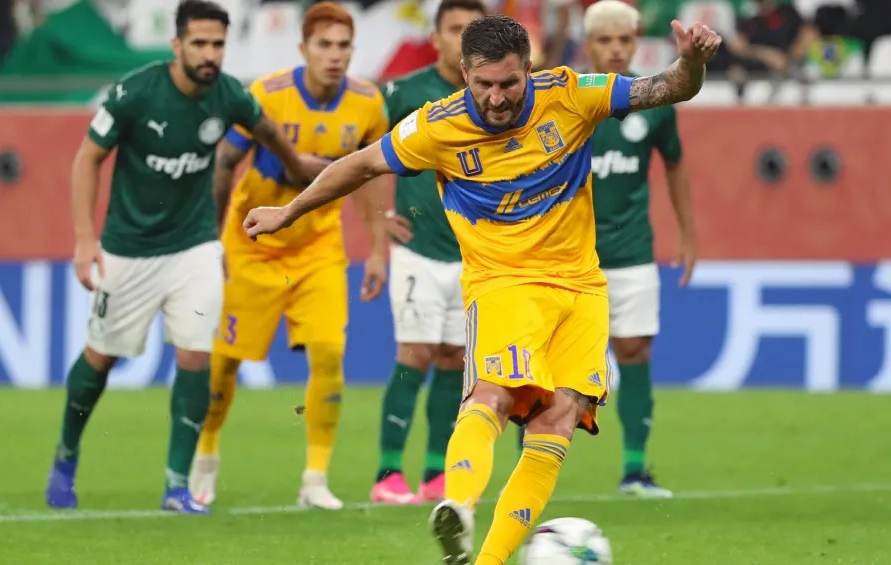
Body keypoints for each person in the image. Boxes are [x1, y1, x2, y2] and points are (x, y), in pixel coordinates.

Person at [242, 13, 720, 563]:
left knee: (557, 421)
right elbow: (362, 164)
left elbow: (666, 88)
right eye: (483, 85)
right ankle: (459, 504)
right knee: (491, 395)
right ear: (464, 73)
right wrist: (291, 210)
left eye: (508, 84)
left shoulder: (570, 93)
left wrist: (692, 62)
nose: (495, 98)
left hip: (582, 287)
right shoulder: (437, 126)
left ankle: (487, 560)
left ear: (529, 71)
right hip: (502, 284)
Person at [44, 0, 319, 515]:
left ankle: (177, 485)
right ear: (177, 46)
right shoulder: (136, 93)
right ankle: (66, 453)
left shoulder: (229, 94)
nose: (210, 53)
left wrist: (295, 164)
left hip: (194, 248)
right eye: (199, 43)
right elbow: (87, 159)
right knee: (100, 358)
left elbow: (266, 129)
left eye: (217, 44)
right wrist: (85, 241)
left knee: (196, 356)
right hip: (128, 250)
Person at [188, 1, 390, 511]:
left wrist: (379, 247)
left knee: (328, 354)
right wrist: (213, 241)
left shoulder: (367, 103)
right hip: (252, 245)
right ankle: (205, 455)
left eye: (344, 46)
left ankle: (315, 478)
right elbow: (225, 163)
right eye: (324, 45)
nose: (335, 56)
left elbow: (371, 177)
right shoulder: (267, 96)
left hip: (318, 245)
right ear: (303, 49)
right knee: (224, 365)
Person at [515, 0, 696, 499]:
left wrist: (688, 234)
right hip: (560, 257)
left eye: (625, 40)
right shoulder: (560, 97)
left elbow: (675, 166)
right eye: (605, 41)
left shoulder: (654, 100)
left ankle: (636, 469)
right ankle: (525, 465)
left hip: (631, 251)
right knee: (540, 364)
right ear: (588, 45)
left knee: (635, 350)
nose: (616, 50)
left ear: (636, 42)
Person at [370, 0, 487, 507]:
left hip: (474, 253)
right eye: (454, 29)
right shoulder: (403, 93)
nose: (462, 39)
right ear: (436, 36)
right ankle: (387, 472)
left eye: (472, 31)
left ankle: (437, 474)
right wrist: (377, 219)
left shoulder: (494, 97)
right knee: (414, 354)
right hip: (418, 250)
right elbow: (361, 154)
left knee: (454, 359)